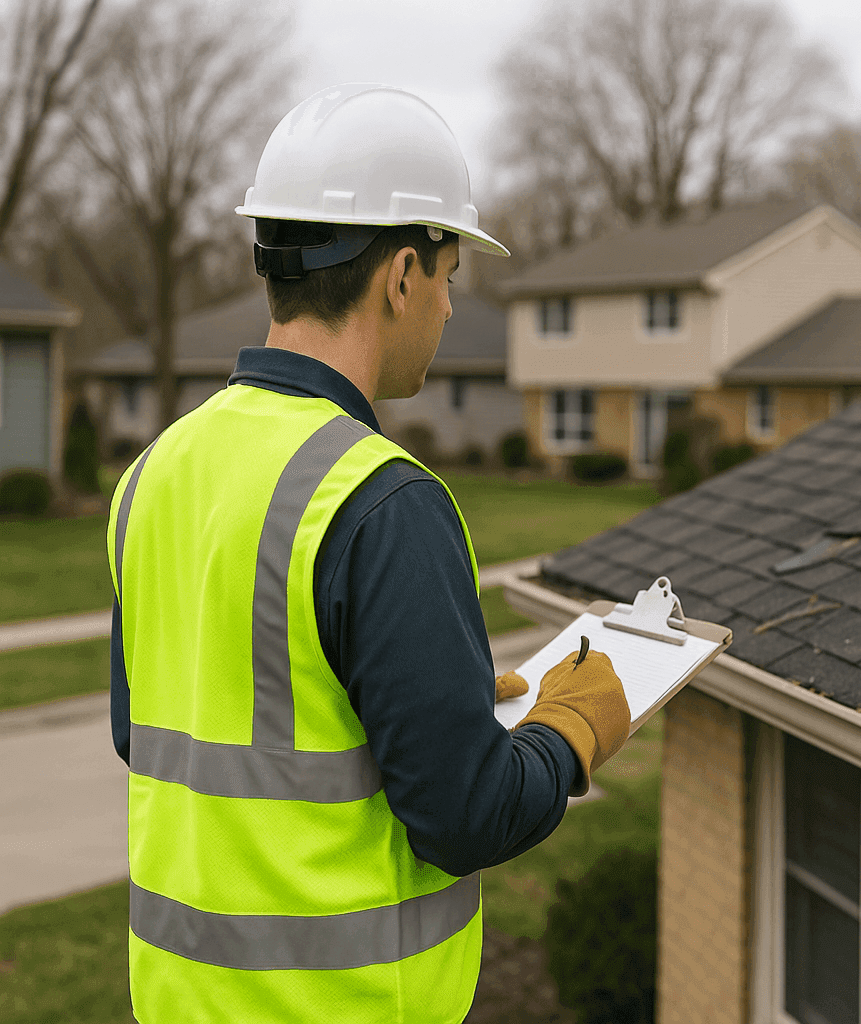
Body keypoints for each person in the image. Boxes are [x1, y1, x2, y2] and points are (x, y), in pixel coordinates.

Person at [106, 83, 631, 1024]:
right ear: (400, 276)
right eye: (449, 280)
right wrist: (574, 732)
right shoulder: (383, 500)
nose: (448, 310)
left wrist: (430, 705)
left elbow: (150, 730)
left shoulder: (155, 473)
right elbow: (467, 814)